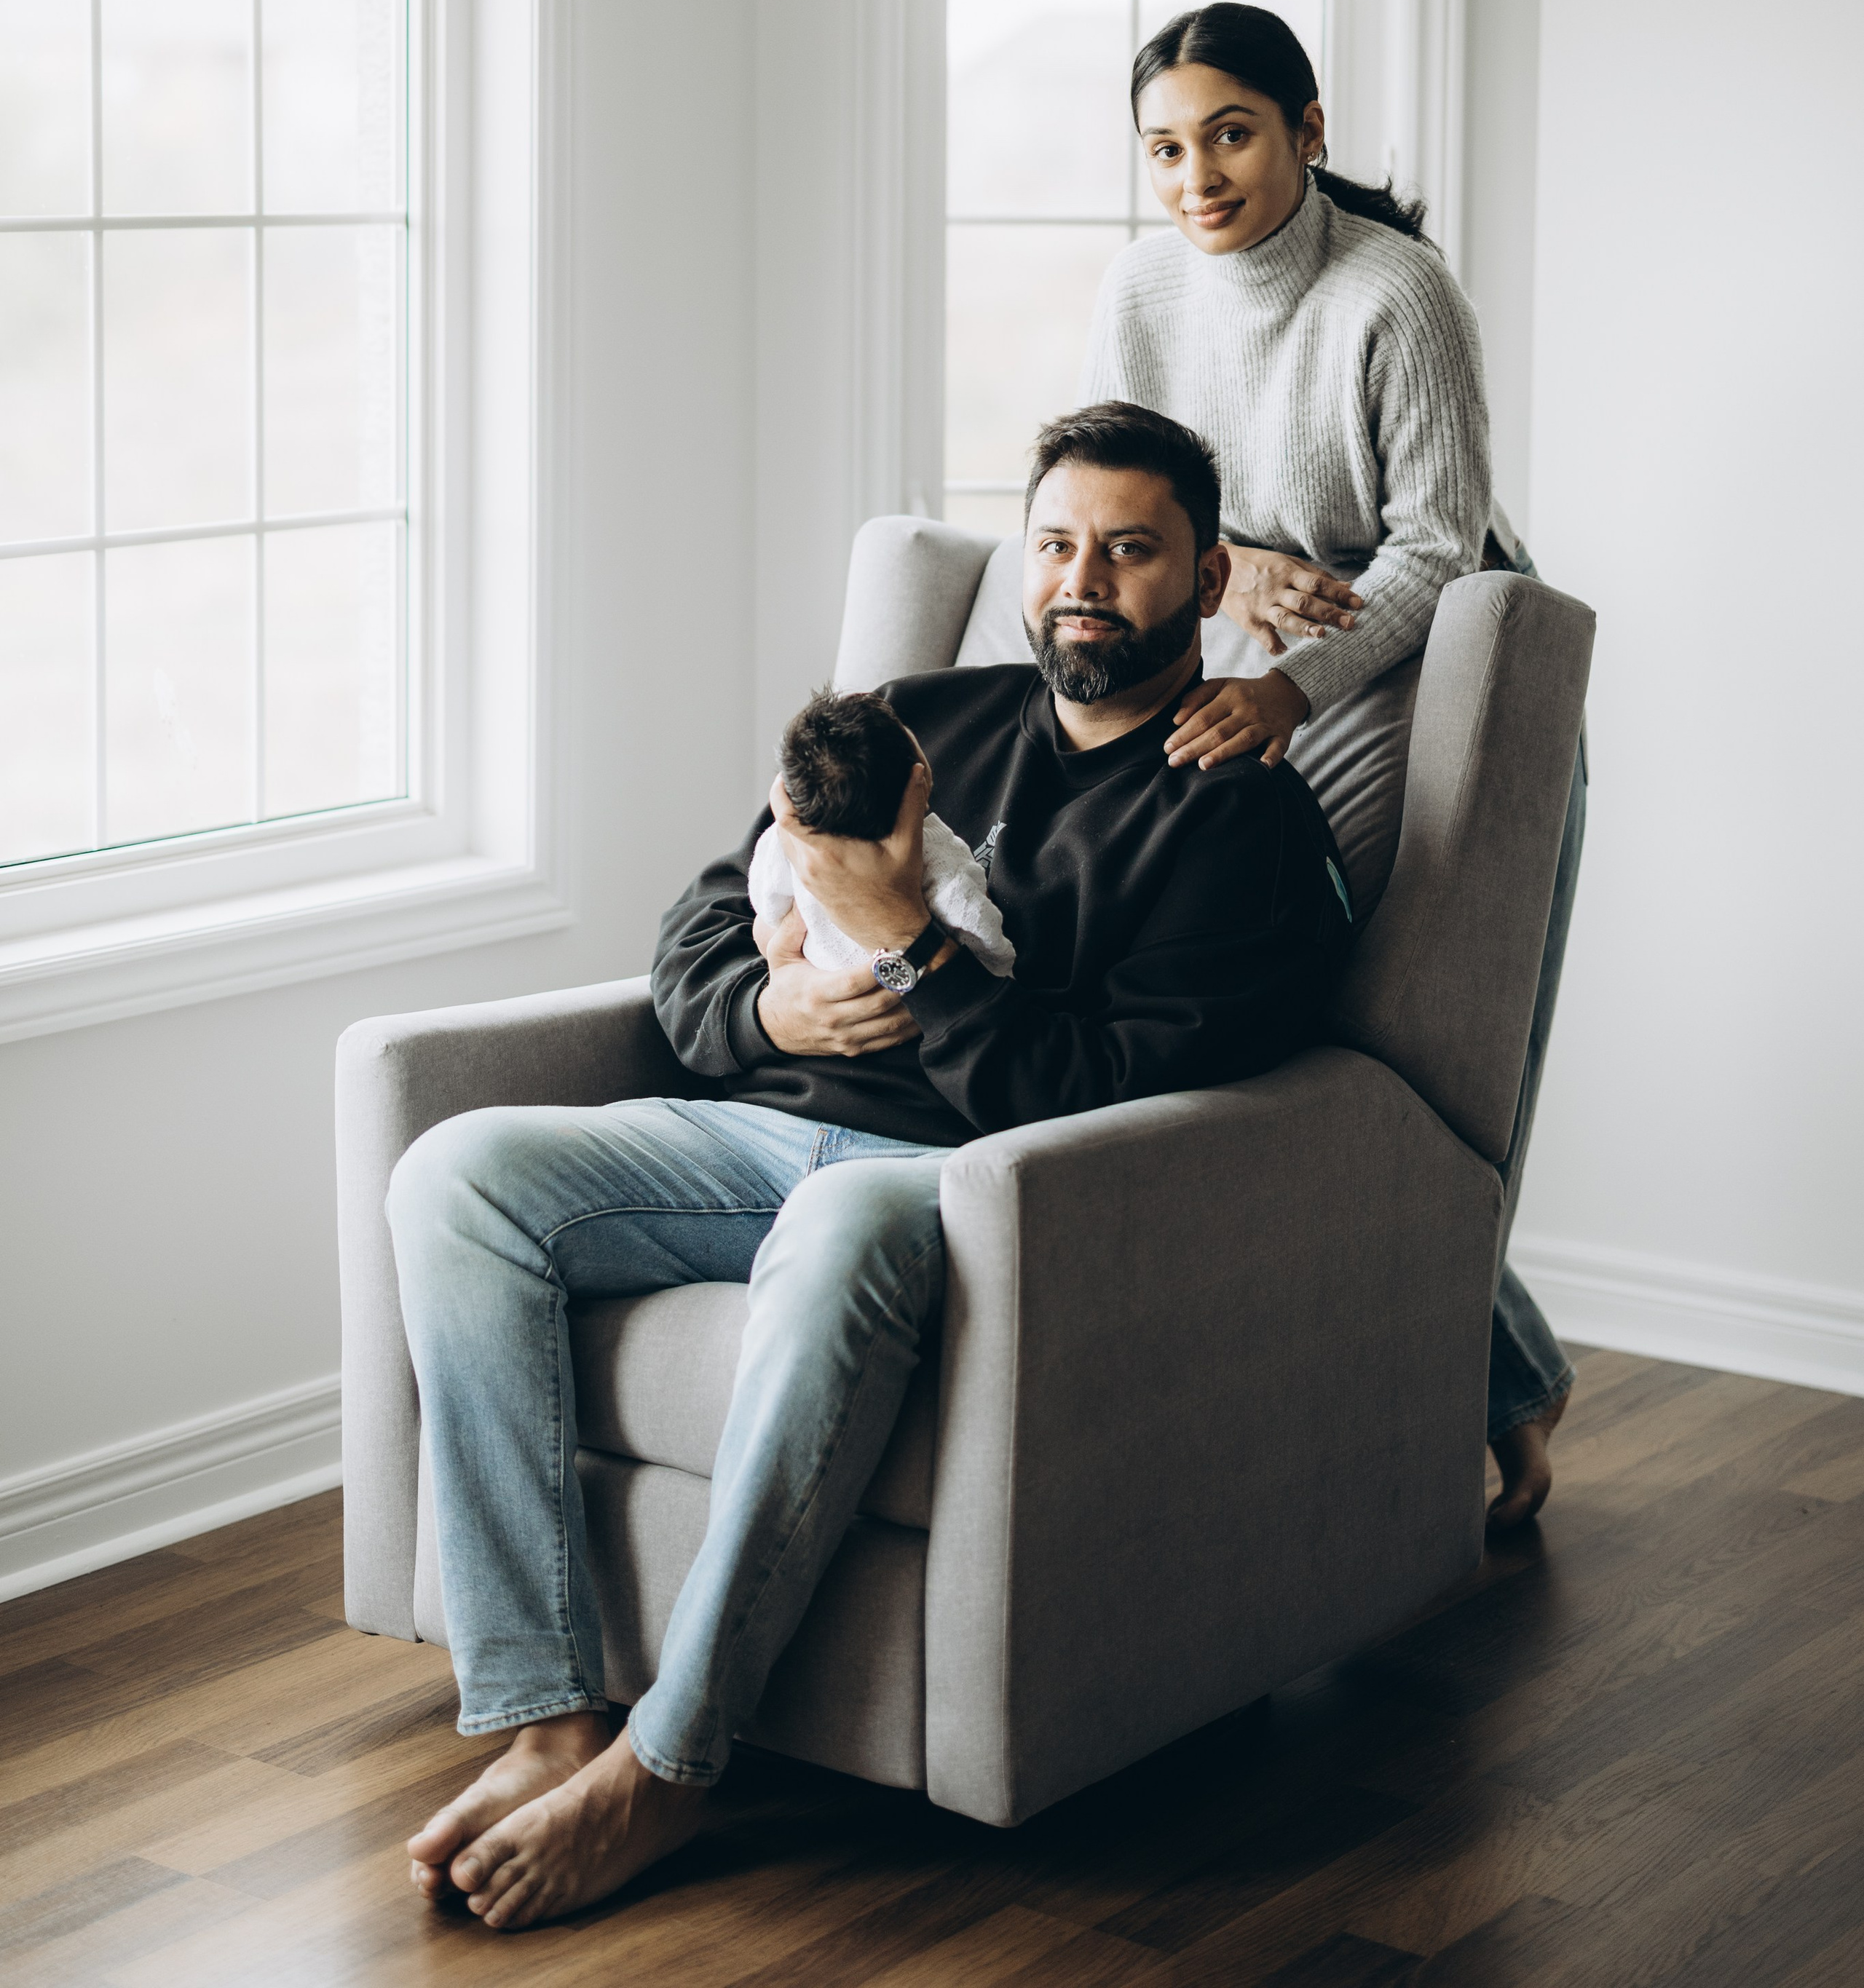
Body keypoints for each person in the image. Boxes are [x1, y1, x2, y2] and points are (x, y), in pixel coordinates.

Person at [390, 402, 1352, 1931]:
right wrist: (767, 1006)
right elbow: (699, 924)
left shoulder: (1235, 820)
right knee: (457, 1176)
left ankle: (674, 1761)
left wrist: (912, 945)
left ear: (1205, 571)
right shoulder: (914, 717)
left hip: (968, 1185)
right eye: (1053, 545)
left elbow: (1096, 1094)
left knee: (841, 1220)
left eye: (1128, 549)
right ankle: (551, 1711)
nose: (1081, 578)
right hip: (755, 1128)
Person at [1078, 1, 1584, 1532]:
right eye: (1163, 146)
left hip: (1451, 695)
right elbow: (1132, 494)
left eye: (1228, 133)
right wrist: (1225, 576)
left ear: (1305, 129)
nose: (1194, 176)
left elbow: (1440, 544)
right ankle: (1500, 1375)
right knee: (1254, 1017)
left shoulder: (1395, 295)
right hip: (1259, 668)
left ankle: (1490, 1389)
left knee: (1402, 1059)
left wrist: (1294, 683)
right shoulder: (1146, 285)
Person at [746, 685, 1014, 976]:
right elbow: (992, 958)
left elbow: (766, 905)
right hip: (917, 1005)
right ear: (921, 775)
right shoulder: (945, 863)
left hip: (819, 972)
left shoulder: (785, 842)